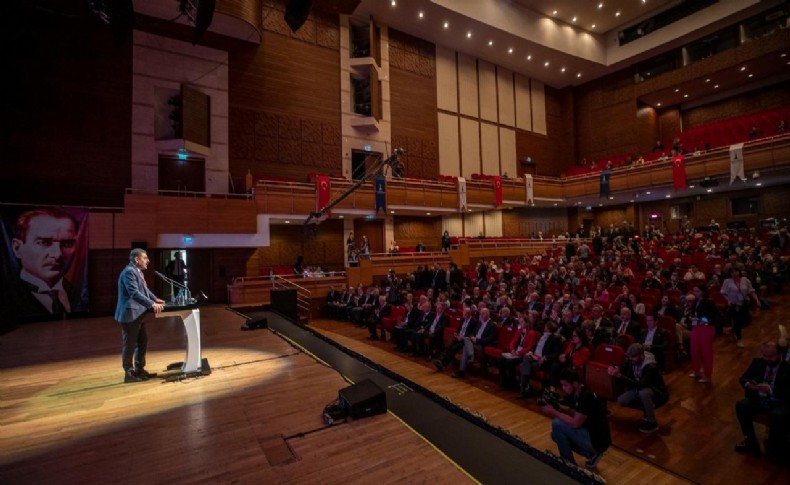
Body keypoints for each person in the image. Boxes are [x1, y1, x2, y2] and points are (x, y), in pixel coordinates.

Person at [10, 208, 87, 317]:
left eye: (67, 244)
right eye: (44, 242)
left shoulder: (79, 293)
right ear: (17, 248)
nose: (57, 254)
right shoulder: (8, 295)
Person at [541, 368, 611, 469]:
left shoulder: (586, 396)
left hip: (597, 440)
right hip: (591, 433)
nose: (563, 388)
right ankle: (591, 455)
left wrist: (553, 411)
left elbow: (575, 423)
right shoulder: (579, 392)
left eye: (566, 385)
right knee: (555, 434)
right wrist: (558, 406)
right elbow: (575, 412)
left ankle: (568, 464)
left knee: (556, 424)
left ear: (574, 383)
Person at [114, 248, 165, 383]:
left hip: (138, 314)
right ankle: (128, 373)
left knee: (142, 342)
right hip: (130, 314)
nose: (147, 260)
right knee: (129, 345)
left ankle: (139, 369)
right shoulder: (129, 272)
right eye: (145, 258)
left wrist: (154, 299)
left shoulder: (136, 271)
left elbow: (145, 290)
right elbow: (134, 293)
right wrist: (151, 304)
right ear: (137, 259)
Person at [734, 342, 790, 463]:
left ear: (779, 354)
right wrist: (749, 385)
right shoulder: (758, 362)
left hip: (778, 401)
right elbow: (743, 378)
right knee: (741, 405)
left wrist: (770, 390)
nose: (768, 359)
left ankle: (777, 446)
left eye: (771, 356)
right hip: (759, 398)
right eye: (765, 355)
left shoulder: (787, 368)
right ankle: (751, 441)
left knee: (778, 415)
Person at [609, 343, 669, 433]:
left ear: (641, 355)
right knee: (622, 400)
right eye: (630, 357)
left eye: (633, 357)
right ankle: (647, 409)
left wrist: (619, 376)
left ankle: (652, 422)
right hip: (639, 388)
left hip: (656, 392)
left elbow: (641, 385)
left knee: (643, 392)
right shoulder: (631, 360)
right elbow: (623, 371)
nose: (631, 359)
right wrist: (616, 370)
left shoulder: (650, 366)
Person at [721, 268, 760, 348]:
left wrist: (757, 300)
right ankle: (739, 339)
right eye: (732, 272)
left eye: (735, 271)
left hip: (744, 302)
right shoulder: (727, 281)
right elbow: (723, 292)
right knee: (737, 322)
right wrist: (728, 300)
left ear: (739, 272)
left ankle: (731, 330)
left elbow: (751, 291)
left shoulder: (745, 280)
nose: (734, 273)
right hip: (734, 304)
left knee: (747, 321)